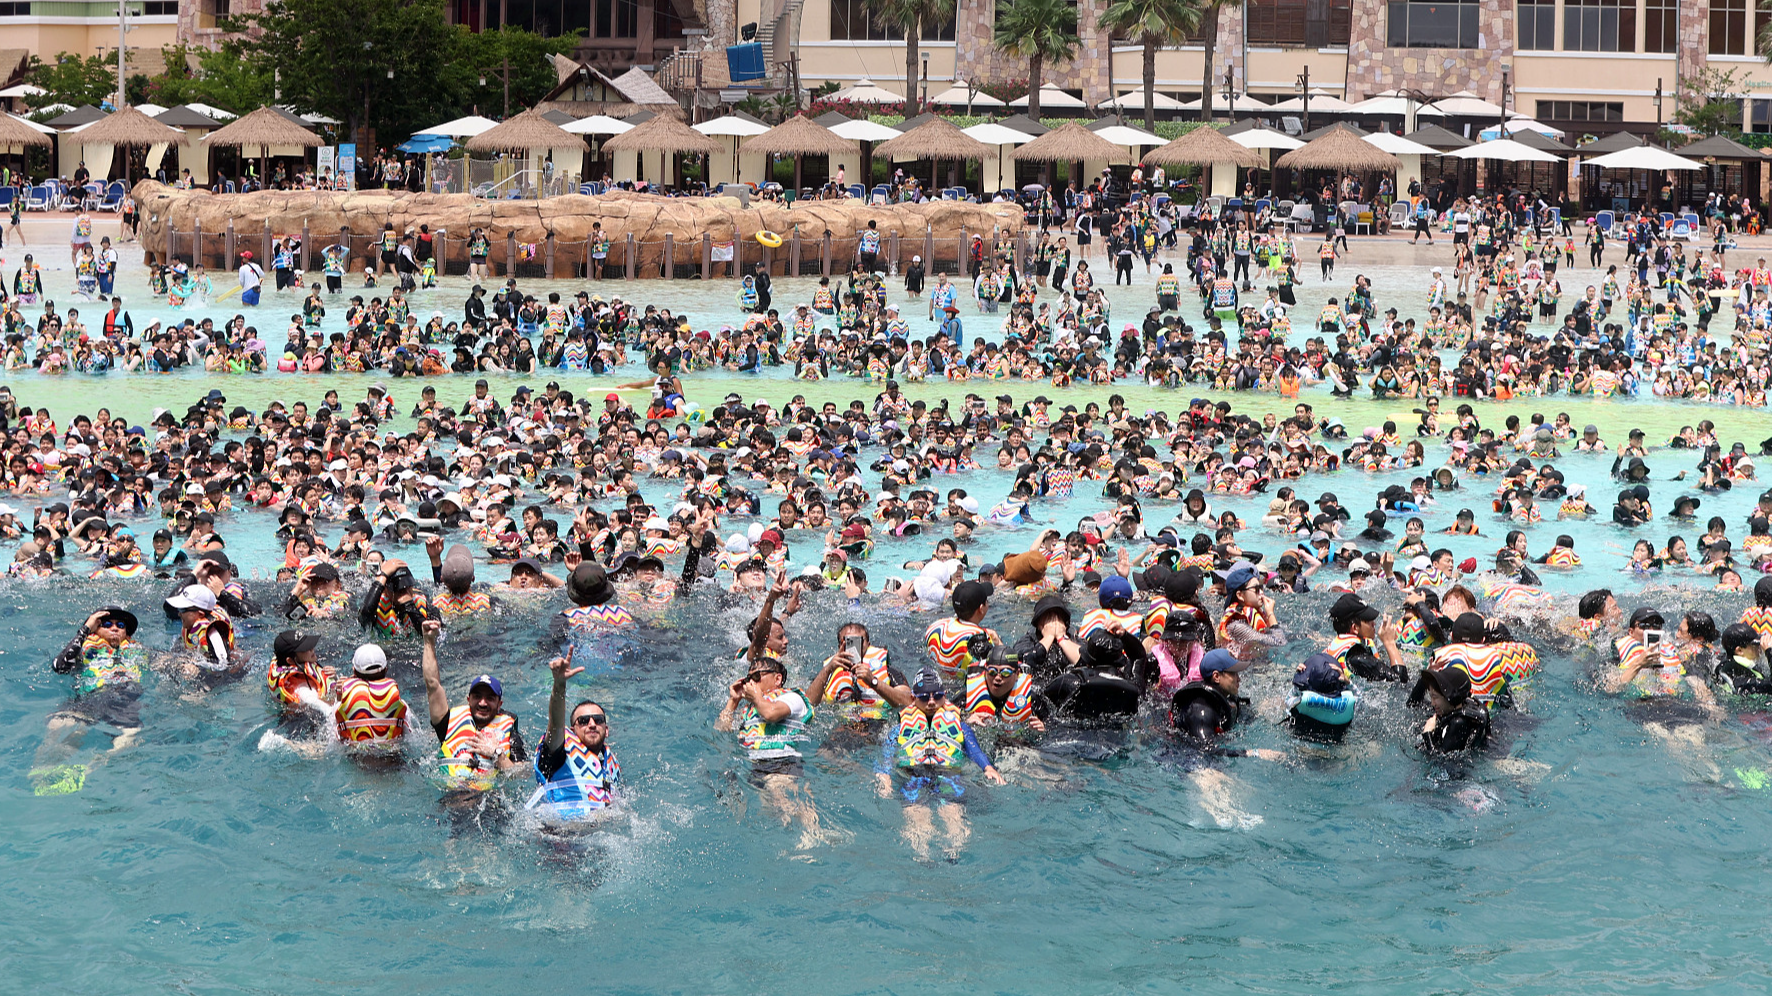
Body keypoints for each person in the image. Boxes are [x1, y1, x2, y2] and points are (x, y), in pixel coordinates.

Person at [875, 666, 1004, 860]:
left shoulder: (959, 725)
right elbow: (887, 754)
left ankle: (954, 852)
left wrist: (988, 767)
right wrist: (884, 775)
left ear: (945, 696)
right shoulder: (899, 728)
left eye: (937, 696)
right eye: (925, 697)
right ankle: (923, 856)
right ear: (913, 698)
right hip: (913, 775)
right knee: (918, 816)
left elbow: (973, 749)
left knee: (953, 813)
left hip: (948, 775)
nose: (932, 702)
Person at [715, 648, 824, 846]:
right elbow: (720, 730)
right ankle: (806, 840)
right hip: (756, 767)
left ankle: (814, 838)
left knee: (783, 799)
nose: (751, 682)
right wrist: (733, 701)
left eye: (756, 676)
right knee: (776, 813)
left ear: (777, 679)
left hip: (782, 762)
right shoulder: (750, 710)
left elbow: (772, 714)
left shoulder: (791, 697)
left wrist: (756, 697)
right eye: (748, 678)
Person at [36, 606, 146, 795]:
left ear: (127, 634)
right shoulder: (83, 649)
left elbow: (167, 661)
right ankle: (39, 773)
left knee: (129, 738)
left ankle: (85, 771)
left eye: (120, 625)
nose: (114, 628)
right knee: (58, 725)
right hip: (91, 697)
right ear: (96, 629)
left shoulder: (138, 651)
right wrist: (85, 628)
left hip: (124, 701)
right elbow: (59, 667)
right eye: (106, 624)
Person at [421, 619, 525, 793]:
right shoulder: (447, 723)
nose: (483, 703)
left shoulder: (510, 733)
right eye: (477, 697)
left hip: (489, 803)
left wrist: (496, 753)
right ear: (468, 699)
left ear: (500, 704)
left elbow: (521, 774)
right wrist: (429, 641)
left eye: (490, 698)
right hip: (453, 800)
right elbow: (432, 684)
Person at [529, 647, 621, 823]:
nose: (592, 724)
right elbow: (555, 723)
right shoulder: (558, 753)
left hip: (596, 839)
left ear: (607, 730)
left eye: (598, 720)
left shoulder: (610, 767)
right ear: (572, 730)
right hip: (560, 837)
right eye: (584, 721)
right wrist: (559, 685)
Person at [333, 643, 410, 747]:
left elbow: (334, 736)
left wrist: (339, 698)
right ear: (386, 669)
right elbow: (410, 737)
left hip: (356, 759)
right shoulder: (398, 702)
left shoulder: (342, 705)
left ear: (354, 671)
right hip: (392, 759)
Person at [1408, 666, 1491, 754]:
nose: (1432, 703)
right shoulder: (1447, 707)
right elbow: (1412, 704)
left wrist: (1427, 733)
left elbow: (1438, 761)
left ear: (1450, 698)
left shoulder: (1459, 723)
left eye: (1435, 697)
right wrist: (1423, 681)